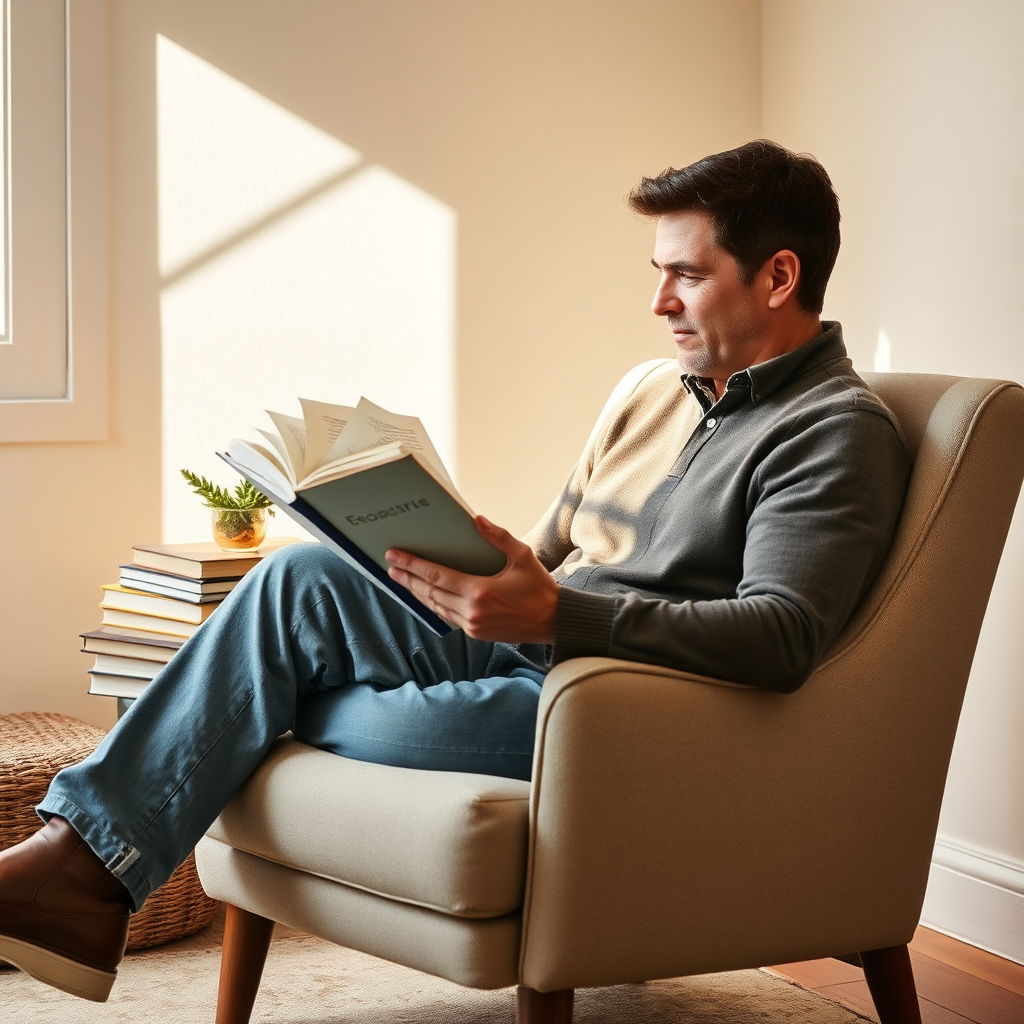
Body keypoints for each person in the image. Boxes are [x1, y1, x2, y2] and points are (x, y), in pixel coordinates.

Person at [0, 139, 910, 1003]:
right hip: (535, 642)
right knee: (296, 581)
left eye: (688, 274)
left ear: (779, 275)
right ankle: (77, 864)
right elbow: (553, 555)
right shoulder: (652, 392)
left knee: (265, 696)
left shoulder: (834, 430)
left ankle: (76, 878)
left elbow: (784, 635)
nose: (660, 301)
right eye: (658, 274)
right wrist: (456, 555)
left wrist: (553, 613)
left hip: (611, 702)